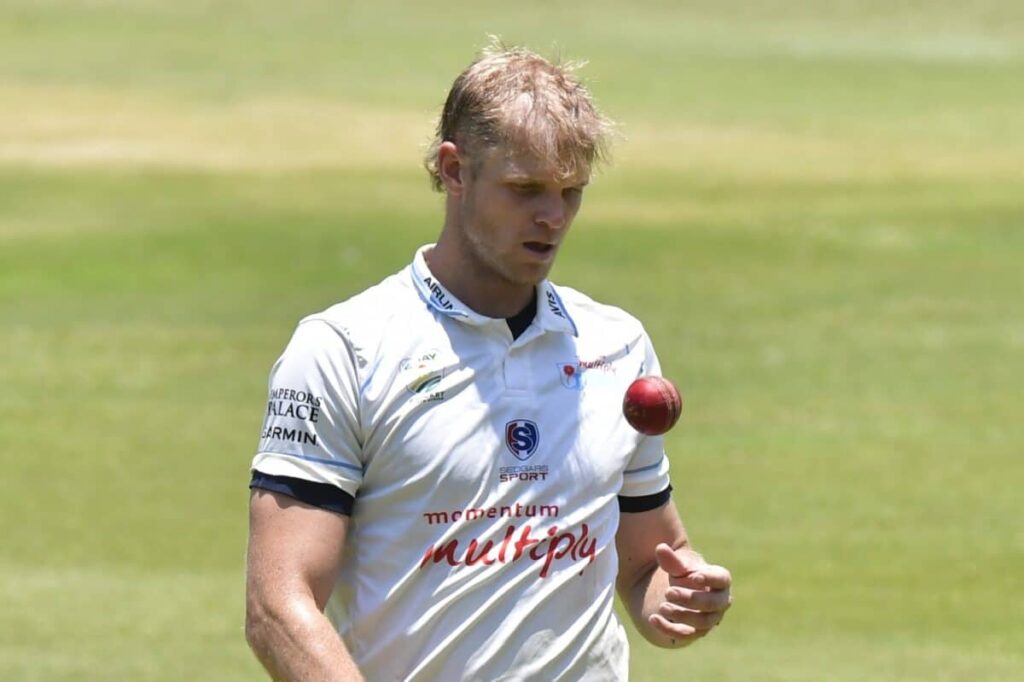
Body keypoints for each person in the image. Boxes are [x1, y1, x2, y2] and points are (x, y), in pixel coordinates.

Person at [245, 40, 732, 681]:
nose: (553, 217)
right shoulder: (344, 351)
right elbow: (278, 607)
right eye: (525, 189)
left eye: (572, 191)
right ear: (455, 170)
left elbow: (647, 565)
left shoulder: (616, 347)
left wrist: (680, 596)